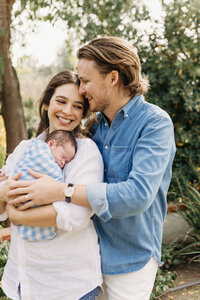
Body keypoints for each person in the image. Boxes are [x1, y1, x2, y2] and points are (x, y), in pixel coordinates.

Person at [3, 37, 176, 300]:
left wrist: (61, 191)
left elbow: (138, 194)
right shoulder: (95, 128)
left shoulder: (154, 124)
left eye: (85, 81)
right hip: (92, 253)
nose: (81, 89)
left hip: (129, 257)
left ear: (113, 78)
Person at [0, 70, 103, 300]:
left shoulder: (86, 152)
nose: (68, 111)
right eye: (61, 101)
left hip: (66, 285)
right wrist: (4, 193)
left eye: (77, 106)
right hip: (22, 280)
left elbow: (76, 216)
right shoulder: (26, 148)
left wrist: (17, 215)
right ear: (46, 104)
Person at [12, 129, 77, 241]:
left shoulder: (87, 149)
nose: (62, 163)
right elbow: (57, 182)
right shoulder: (38, 149)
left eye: (66, 162)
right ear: (51, 144)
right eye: (62, 156)